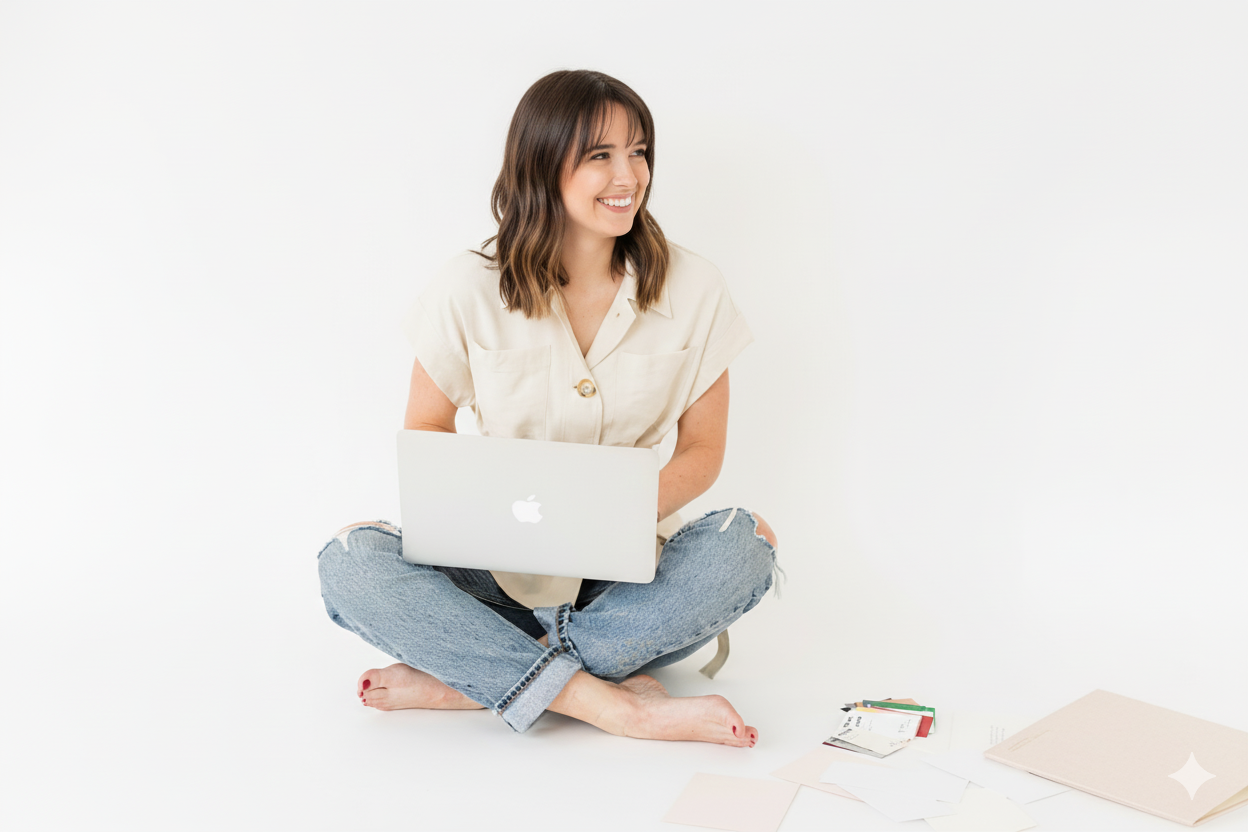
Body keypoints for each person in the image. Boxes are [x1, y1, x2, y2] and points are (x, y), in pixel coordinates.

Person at [317, 69, 782, 747]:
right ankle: (612, 703)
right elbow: (427, 435)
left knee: (745, 545)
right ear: (540, 165)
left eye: (639, 150)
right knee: (350, 559)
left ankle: (476, 679)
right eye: (600, 155)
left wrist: (607, 518)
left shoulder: (695, 285)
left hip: (624, 579)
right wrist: (500, 517)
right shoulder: (466, 287)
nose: (629, 174)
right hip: (494, 573)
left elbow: (702, 451)